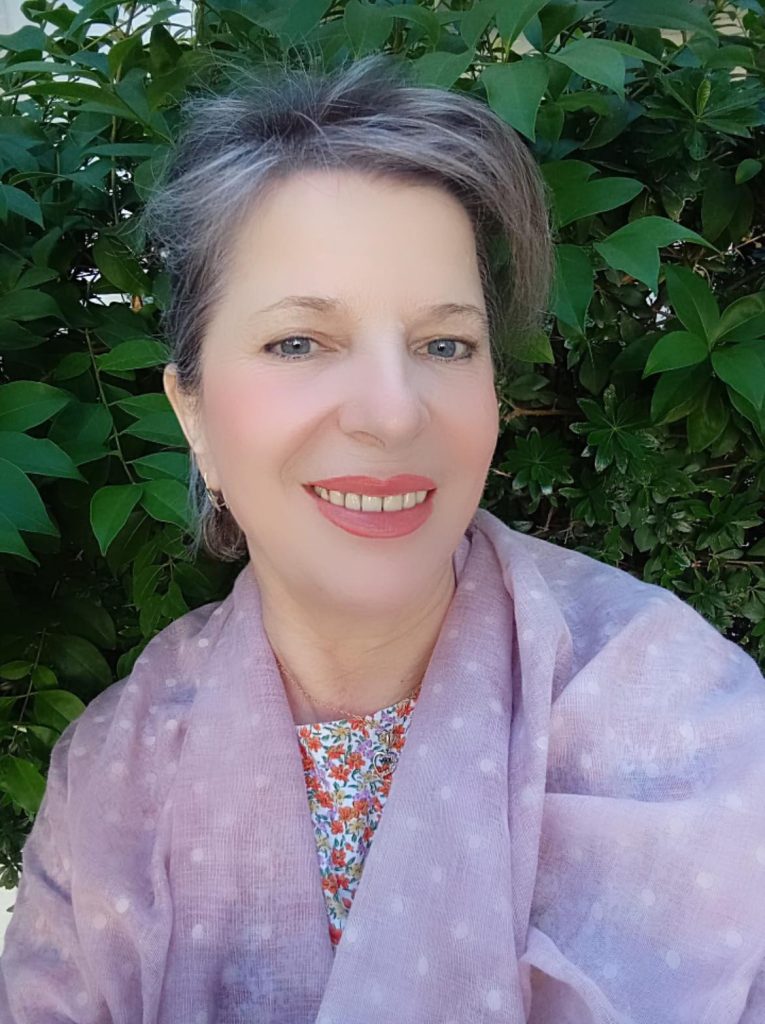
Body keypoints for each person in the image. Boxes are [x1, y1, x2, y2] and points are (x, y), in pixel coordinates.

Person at [1, 53, 764, 1024]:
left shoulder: (682, 715)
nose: (393, 412)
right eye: (298, 342)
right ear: (192, 412)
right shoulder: (112, 778)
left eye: (445, 344)